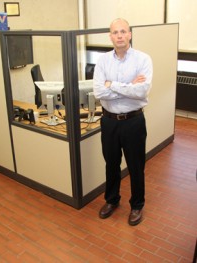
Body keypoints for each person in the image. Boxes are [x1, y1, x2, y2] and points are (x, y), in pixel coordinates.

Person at [93, 18, 153, 226]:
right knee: (111, 164)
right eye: (115, 32)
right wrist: (127, 86)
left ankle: (137, 205)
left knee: (136, 166)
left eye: (123, 31)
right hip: (109, 122)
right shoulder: (102, 61)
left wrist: (112, 85)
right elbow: (98, 91)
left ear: (130, 34)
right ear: (110, 36)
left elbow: (141, 91)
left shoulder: (143, 59)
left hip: (133, 122)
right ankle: (112, 200)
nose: (119, 36)